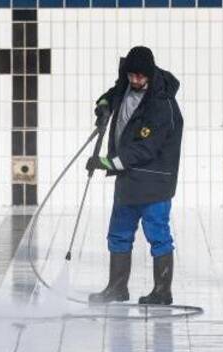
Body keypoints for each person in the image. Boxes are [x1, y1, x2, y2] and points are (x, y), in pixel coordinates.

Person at [85, 46, 184, 306]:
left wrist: (108, 162)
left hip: (154, 182)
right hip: (128, 179)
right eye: (132, 76)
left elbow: (146, 148)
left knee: (158, 235)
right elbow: (115, 92)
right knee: (118, 233)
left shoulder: (161, 104)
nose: (135, 81)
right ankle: (117, 288)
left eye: (141, 77)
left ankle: (162, 292)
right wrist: (104, 105)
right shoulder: (127, 84)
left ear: (150, 74)